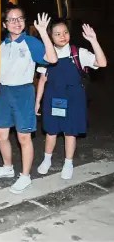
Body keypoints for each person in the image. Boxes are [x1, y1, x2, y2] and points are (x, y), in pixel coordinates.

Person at [0, 4, 58, 194]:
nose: (17, 23)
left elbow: (52, 59)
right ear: (5, 24)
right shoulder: (1, 44)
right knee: (0, 135)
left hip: (23, 92)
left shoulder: (31, 42)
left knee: (23, 137)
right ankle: (7, 167)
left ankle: (25, 177)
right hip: (2, 92)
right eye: (12, 19)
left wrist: (43, 32)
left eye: (20, 19)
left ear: (25, 22)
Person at [35, 20, 107, 179]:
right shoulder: (47, 54)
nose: (62, 36)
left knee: (70, 131)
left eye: (65, 32)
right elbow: (42, 80)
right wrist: (37, 101)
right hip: (53, 97)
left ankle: (68, 163)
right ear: (50, 37)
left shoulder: (78, 52)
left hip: (74, 97)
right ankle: (47, 159)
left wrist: (93, 40)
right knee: (51, 131)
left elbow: (101, 62)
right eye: (57, 34)